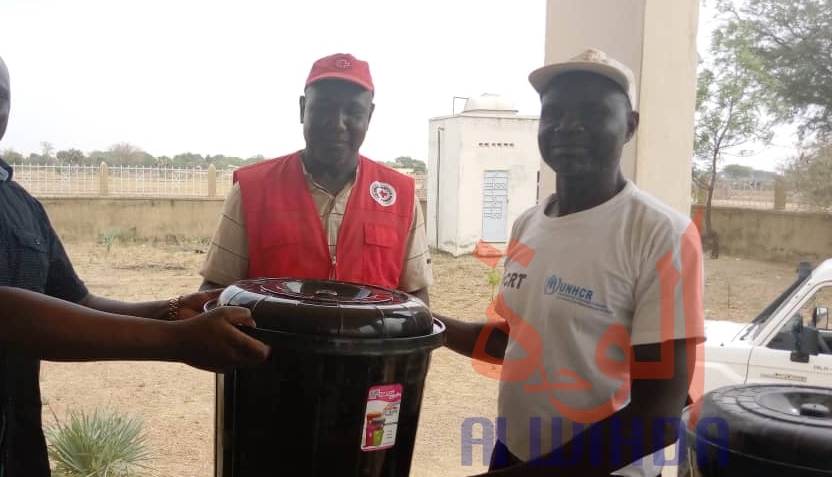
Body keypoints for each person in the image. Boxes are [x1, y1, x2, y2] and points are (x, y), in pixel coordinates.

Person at [0, 32, 269, 477]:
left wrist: (170, 310)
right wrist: (176, 342)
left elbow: (76, 301)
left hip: (12, 452)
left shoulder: (19, 202)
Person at [435, 49, 705, 477]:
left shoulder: (661, 235)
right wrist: (425, 323)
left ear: (630, 126)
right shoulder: (529, 223)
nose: (568, 125)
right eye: (554, 112)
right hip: (514, 451)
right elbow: (516, 340)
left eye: (592, 112)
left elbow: (657, 417)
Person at [199, 53, 433, 303]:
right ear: (302, 109)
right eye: (324, 107)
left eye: (353, 111)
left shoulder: (401, 196)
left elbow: (415, 295)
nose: (337, 123)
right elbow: (215, 290)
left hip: (368, 343)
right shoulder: (251, 190)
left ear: (369, 116)